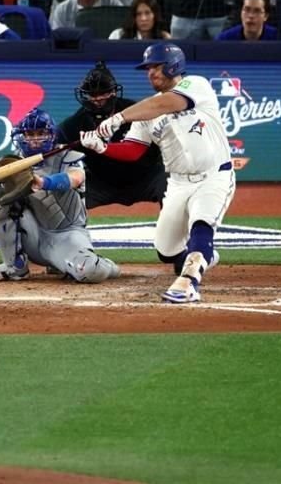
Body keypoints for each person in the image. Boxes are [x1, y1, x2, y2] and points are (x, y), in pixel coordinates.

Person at [82, 42, 235, 303]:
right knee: (166, 251)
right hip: (177, 184)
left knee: (202, 223)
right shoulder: (148, 109)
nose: (150, 72)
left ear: (174, 65)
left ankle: (188, 283)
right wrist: (102, 148)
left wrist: (119, 118)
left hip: (213, 175)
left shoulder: (195, 85)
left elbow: (169, 103)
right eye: (148, 68)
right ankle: (204, 254)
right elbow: (133, 150)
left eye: (156, 66)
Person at [0, 107, 121, 283]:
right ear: (22, 137)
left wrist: (44, 183)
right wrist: (1, 185)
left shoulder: (67, 156)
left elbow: (76, 178)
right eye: (30, 134)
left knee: (91, 271)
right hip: (35, 236)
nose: (35, 139)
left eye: (40, 133)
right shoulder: (15, 163)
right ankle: (15, 267)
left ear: (51, 134)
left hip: (67, 235)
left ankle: (106, 265)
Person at [55, 62, 167, 209]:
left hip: (146, 178)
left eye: (103, 93)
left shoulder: (137, 112)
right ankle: (70, 230)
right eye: (92, 95)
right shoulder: (73, 125)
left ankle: (179, 227)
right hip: (102, 184)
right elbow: (55, 151)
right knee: (69, 189)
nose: (97, 99)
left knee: (171, 180)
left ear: (114, 92)